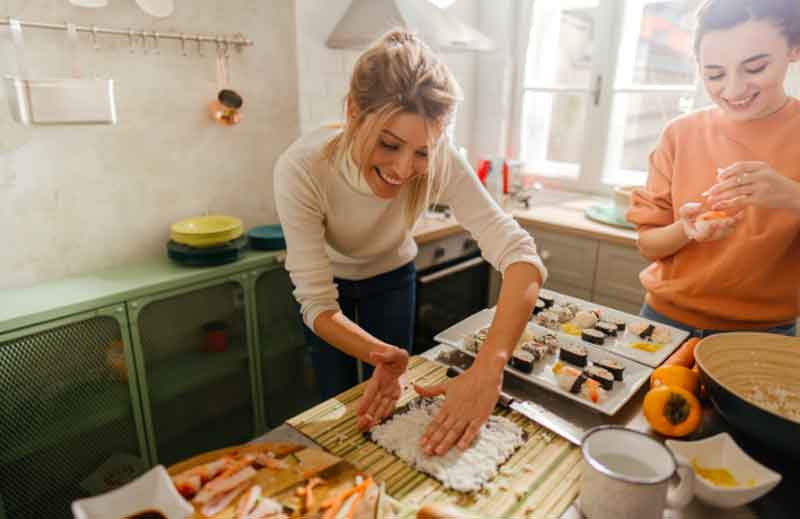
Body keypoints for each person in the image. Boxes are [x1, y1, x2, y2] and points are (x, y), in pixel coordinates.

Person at [274, 30, 547, 456]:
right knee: (339, 404)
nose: (404, 168)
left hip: (392, 278)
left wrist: (488, 370)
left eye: (422, 152)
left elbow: (520, 254)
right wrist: (378, 353)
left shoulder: (442, 162)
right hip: (331, 298)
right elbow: (317, 304)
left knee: (392, 407)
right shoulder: (302, 167)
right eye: (388, 144)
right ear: (352, 112)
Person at [627, 0, 800, 338]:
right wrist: (685, 230)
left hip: (763, 334)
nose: (733, 90)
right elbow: (648, 244)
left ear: (794, 48)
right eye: (715, 74)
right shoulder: (679, 134)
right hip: (664, 319)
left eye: (755, 68)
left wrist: (793, 197)